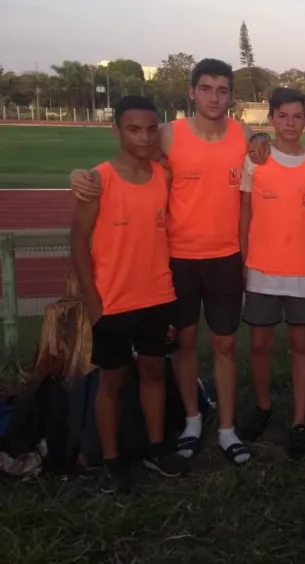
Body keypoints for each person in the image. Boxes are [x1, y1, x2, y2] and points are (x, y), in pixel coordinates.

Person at [70, 59, 271, 466]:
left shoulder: (242, 133)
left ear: (230, 96)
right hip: (176, 259)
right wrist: (79, 174)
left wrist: (263, 135)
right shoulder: (168, 134)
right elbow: (128, 156)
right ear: (192, 93)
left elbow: (264, 143)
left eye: (222, 90)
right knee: (182, 343)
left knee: (225, 343)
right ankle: (193, 421)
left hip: (225, 257)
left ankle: (228, 430)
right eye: (206, 88)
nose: (214, 97)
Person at [69, 96, 187, 492]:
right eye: (134, 129)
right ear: (116, 130)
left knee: (154, 372)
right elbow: (78, 243)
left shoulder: (163, 176)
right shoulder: (99, 180)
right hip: (114, 302)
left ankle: (155, 448)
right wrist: (93, 303)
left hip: (157, 295)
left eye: (152, 128)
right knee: (112, 382)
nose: (144, 136)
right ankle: (112, 458)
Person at [237, 87, 305, 460]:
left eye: (298, 116)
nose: (290, 123)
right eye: (283, 116)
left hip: (303, 270)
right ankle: (262, 407)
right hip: (261, 268)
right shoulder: (255, 160)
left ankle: (297, 421)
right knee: (260, 344)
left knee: (301, 345)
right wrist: (245, 257)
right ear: (271, 118)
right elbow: (244, 212)